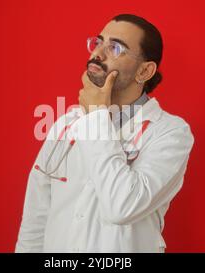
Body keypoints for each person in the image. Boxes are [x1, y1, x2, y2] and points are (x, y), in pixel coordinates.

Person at [15, 14, 194, 253]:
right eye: (98, 42)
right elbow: (35, 219)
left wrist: (96, 116)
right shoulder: (65, 125)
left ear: (144, 71)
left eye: (115, 47)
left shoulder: (171, 134)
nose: (97, 54)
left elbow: (122, 207)